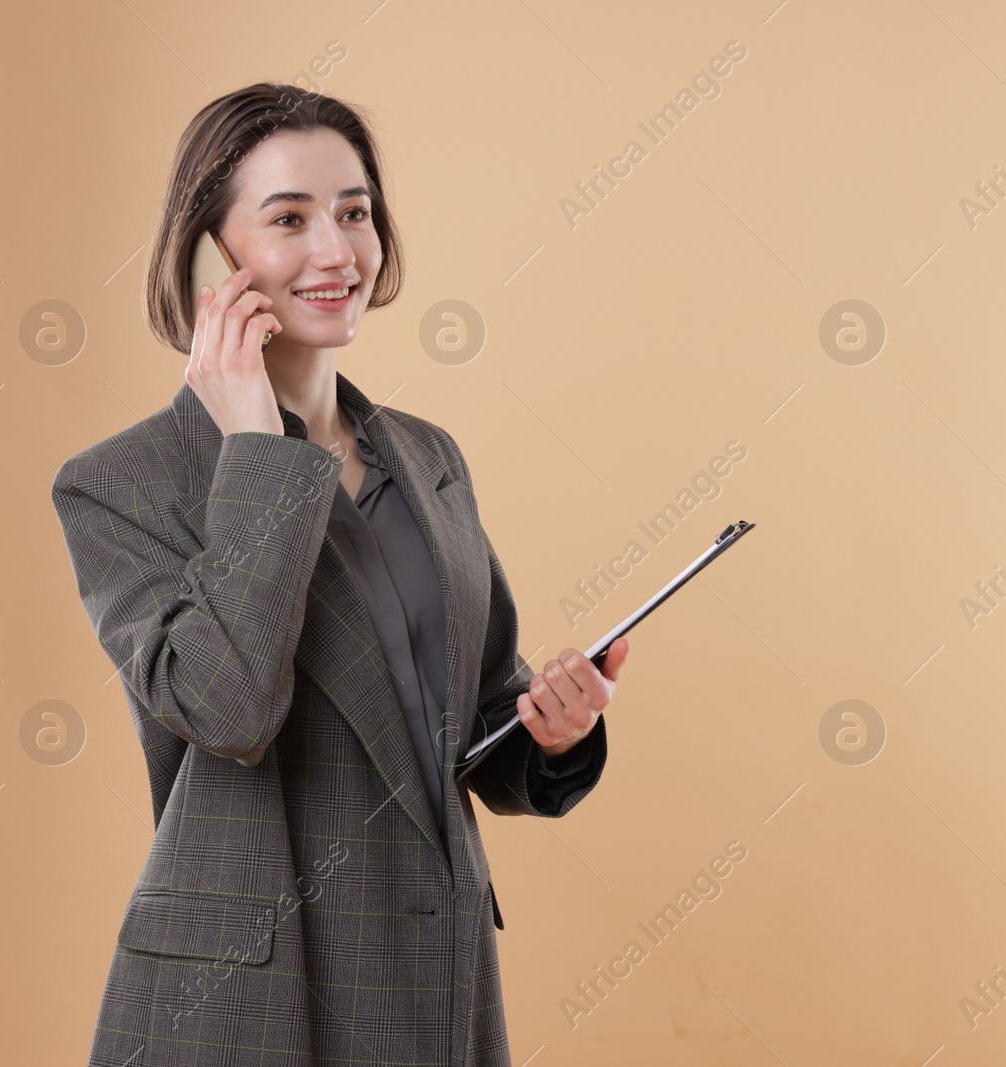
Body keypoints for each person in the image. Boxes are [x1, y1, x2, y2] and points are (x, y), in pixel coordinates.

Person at [49, 82, 629, 1067]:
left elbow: (471, 708)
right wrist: (257, 448)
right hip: (250, 986)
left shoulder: (426, 456)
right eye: (289, 218)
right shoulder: (122, 484)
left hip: (428, 958)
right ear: (208, 259)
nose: (338, 251)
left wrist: (555, 731)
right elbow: (227, 708)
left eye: (354, 212)